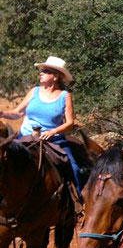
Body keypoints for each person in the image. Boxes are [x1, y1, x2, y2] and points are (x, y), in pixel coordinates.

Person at [0, 55, 86, 197]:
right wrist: (2, 113)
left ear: (56, 76)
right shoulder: (34, 91)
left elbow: (70, 123)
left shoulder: (65, 96)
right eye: (42, 70)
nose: (41, 73)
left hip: (53, 140)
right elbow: (17, 113)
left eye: (45, 71)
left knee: (74, 168)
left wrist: (53, 132)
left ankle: (79, 203)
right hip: (25, 137)